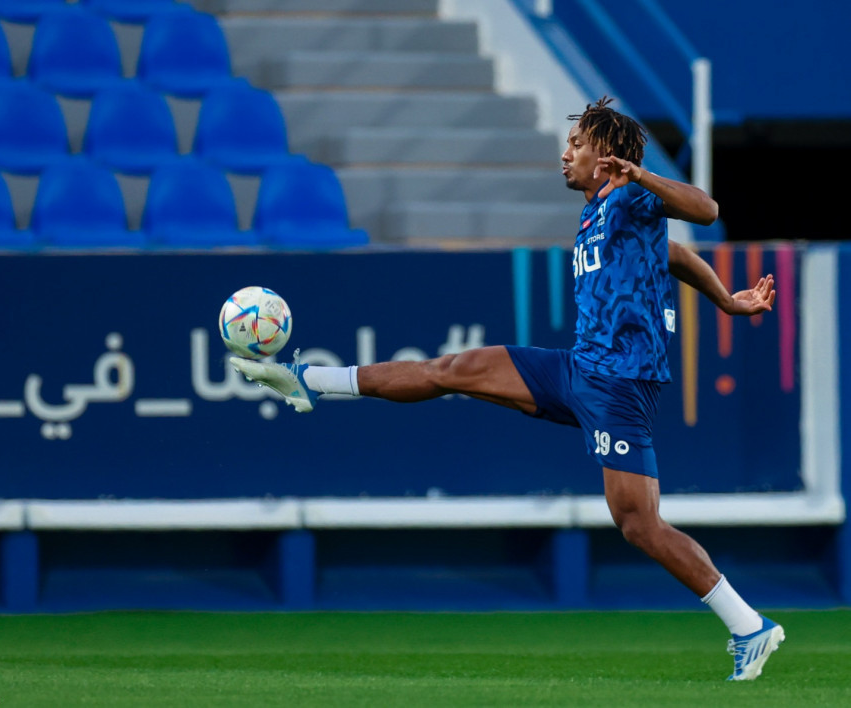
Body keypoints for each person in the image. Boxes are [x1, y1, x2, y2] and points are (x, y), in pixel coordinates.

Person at [231, 97, 783, 681]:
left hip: (621, 384)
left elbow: (706, 208)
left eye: (577, 145)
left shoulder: (633, 195)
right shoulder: (598, 212)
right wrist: (724, 298)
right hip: (579, 370)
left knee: (638, 524)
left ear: (608, 159)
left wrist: (641, 175)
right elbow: (673, 255)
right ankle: (307, 380)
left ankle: (749, 625)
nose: (565, 154)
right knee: (455, 369)